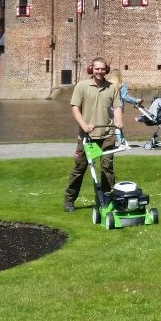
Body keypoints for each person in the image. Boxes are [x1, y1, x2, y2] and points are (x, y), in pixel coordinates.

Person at [64, 56, 124, 212]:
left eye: (103, 69)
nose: (100, 72)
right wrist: (84, 125)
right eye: (97, 69)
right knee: (80, 168)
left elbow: (117, 107)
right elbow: (74, 108)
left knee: (107, 167)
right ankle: (69, 200)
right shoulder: (82, 86)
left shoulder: (113, 88)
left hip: (107, 134)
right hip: (87, 136)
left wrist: (118, 121)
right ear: (91, 69)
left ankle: (106, 199)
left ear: (106, 70)